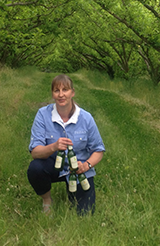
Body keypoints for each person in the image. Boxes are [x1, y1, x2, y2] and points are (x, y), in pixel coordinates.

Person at [27, 74, 105, 215]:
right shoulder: (43, 115)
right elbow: (35, 152)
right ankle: (47, 200)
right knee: (35, 168)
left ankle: (73, 189)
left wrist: (86, 165)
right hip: (54, 165)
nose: (61, 94)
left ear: (72, 93)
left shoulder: (86, 118)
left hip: (79, 168)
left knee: (84, 213)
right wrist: (54, 147)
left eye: (65, 90)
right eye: (57, 90)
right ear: (52, 94)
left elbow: (98, 150)